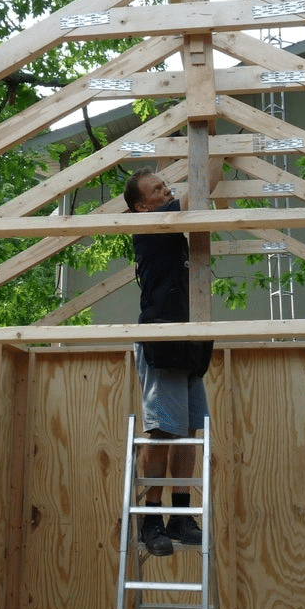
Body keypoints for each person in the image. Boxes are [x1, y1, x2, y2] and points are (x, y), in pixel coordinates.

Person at [124, 167, 212, 556]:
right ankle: (150, 519)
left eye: (165, 186)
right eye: (158, 189)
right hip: (162, 336)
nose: (167, 191)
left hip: (188, 337)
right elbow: (203, 187)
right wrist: (213, 139)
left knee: (188, 428)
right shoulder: (152, 226)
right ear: (143, 206)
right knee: (161, 429)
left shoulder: (173, 227)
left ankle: (180, 516)